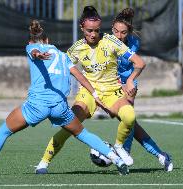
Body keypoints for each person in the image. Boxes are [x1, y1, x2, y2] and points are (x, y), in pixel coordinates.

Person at [0, 19, 130, 176]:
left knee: (4, 130)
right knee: (82, 133)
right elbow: (79, 76)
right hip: (60, 107)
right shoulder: (63, 56)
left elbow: (33, 51)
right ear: (48, 41)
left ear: (31, 41)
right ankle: (117, 159)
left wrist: (36, 54)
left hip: (37, 105)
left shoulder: (32, 48)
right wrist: (94, 94)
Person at [35, 6, 146, 174]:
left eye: (96, 30)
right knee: (69, 126)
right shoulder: (76, 48)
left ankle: (118, 146)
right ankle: (44, 162)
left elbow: (139, 62)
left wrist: (130, 80)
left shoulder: (111, 41)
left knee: (129, 116)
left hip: (111, 91)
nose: (93, 34)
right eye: (89, 31)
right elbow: (60, 68)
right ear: (82, 28)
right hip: (88, 92)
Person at [111, 8, 173, 172]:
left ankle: (125, 154)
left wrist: (128, 83)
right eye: (116, 31)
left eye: (123, 32)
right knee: (132, 124)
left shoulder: (134, 43)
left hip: (128, 82)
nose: (119, 36)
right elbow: (108, 68)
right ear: (111, 29)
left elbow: (136, 66)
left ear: (129, 32)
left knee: (129, 121)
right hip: (109, 83)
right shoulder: (107, 42)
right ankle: (160, 155)